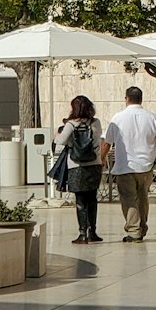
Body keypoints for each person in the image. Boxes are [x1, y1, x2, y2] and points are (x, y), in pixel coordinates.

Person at [102, 86, 156, 243]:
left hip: (125, 166)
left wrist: (101, 159)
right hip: (146, 166)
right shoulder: (152, 117)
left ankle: (134, 231)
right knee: (143, 197)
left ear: (127, 99)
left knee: (129, 199)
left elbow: (106, 142)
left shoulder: (117, 118)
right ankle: (142, 227)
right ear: (141, 99)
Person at [54, 95, 104, 244]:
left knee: (80, 200)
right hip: (94, 164)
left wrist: (57, 135)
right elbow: (98, 138)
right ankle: (93, 232)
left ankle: (82, 233)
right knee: (92, 199)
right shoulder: (96, 123)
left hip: (76, 166)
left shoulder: (71, 124)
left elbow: (61, 141)